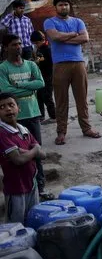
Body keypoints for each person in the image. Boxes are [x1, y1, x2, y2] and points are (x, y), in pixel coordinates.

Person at [0, 34, 53, 200]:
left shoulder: (30, 64)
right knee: (14, 155)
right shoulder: (3, 68)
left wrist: (20, 86)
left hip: (33, 113)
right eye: (14, 44)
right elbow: (4, 91)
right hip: (13, 118)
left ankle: (40, 186)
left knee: (36, 151)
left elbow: (41, 83)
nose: (18, 47)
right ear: (6, 47)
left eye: (20, 44)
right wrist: (29, 89)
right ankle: (21, 189)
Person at [44, 0, 101, 145]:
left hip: (78, 63)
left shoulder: (78, 21)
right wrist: (72, 35)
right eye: (61, 5)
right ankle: (61, 132)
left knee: (82, 99)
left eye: (66, 5)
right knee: (61, 100)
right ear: (56, 7)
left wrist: (64, 38)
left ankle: (86, 128)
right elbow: (54, 36)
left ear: (69, 6)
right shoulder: (50, 22)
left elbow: (85, 38)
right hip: (60, 64)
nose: (64, 7)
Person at [0, 92, 47, 224]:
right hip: (15, 189)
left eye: (11, 105)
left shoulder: (23, 130)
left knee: (33, 220)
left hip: (32, 185)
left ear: (18, 108)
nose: (8, 109)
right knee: (16, 226)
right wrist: (34, 150)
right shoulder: (2, 133)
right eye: (2, 107)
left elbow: (43, 155)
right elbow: (18, 160)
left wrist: (28, 152)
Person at [30, 31, 55, 123]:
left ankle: (54, 116)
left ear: (42, 40)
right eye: (34, 44)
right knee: (39, 96)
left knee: (47, 96)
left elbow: (50, 63)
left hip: (48, 76)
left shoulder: (47, 49)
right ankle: (41, 116)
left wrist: (38, 61)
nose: (36, 45)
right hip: (40, 76)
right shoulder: (39, 49)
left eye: (37, 43)